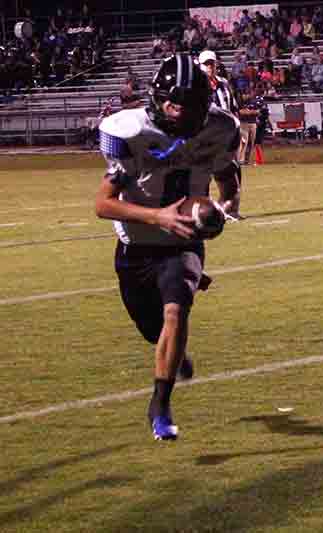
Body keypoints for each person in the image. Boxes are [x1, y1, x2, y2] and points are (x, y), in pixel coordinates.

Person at [95, 54, 240, 440]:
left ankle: (160, 405)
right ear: (156, 98)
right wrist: (158, 216)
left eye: (185, 105)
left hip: (183, 243)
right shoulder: (130, 131)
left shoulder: (219, 129)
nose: (176, 112)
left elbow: (228, 177)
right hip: (137, 247)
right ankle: (173, 357)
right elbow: (102, 204)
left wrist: (225, 209)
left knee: (176, 313)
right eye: (171, 103)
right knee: (152, 327)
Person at [199, 49, 245, 220]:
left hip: (227, 134)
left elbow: (233, 108)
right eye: (206, 64)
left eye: (212, 63)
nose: (210, 67)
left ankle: (231, 209)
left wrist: (238, 130)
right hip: (206, 135)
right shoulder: (196, 86)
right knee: (203, 174)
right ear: (201, 66)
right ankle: (204, 211)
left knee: (233, 170)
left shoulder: (224, 83)